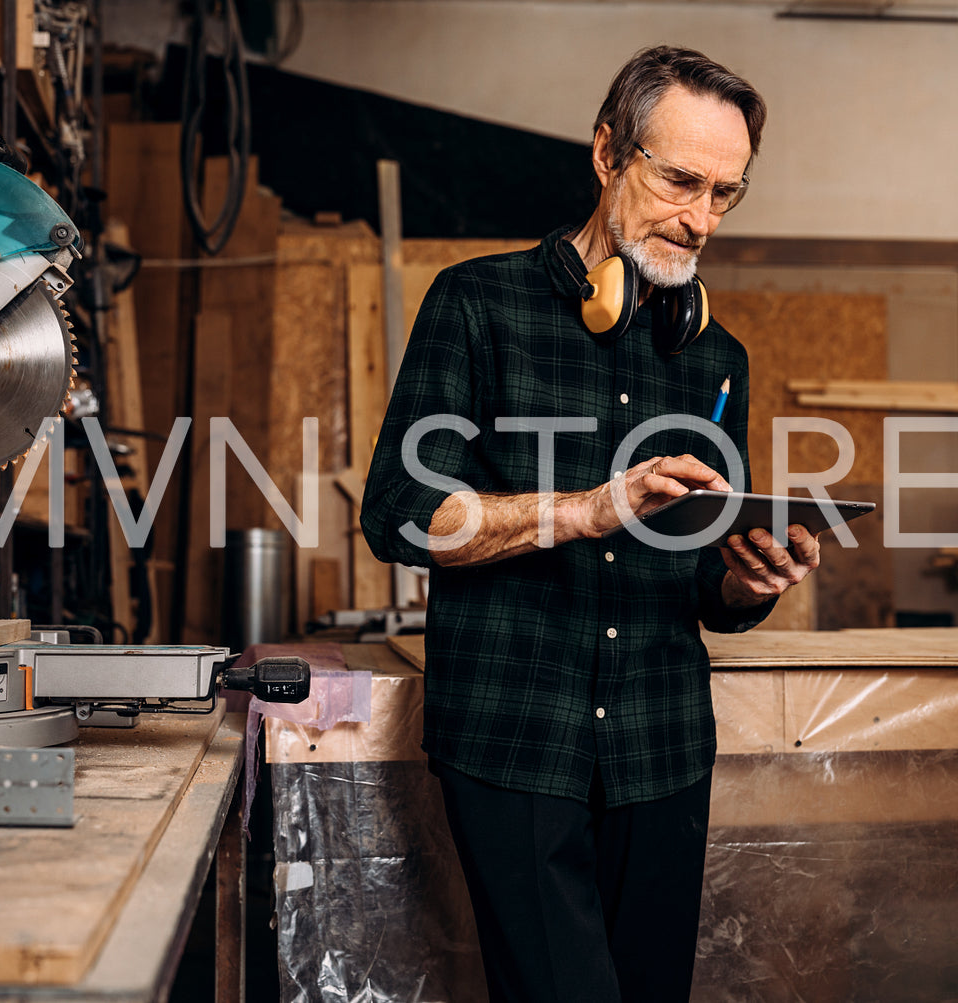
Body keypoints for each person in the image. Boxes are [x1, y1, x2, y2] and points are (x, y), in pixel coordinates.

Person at [360, 46, 820, 1003]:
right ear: (608, 152)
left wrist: (747, 577)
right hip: (514, 740)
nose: (699, 219)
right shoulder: (476, 304)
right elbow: (400, 514)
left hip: (660, 750)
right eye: (680, 180)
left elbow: (703, 580)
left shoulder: (714, 358)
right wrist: (591, 507)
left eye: (724, 193)